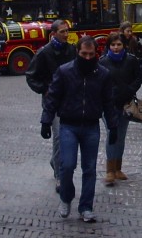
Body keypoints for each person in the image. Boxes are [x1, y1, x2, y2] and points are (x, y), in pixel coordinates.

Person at [40, 35, 119, 223]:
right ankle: (66, 197)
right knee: (66, 165)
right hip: (68, 124)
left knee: (89, 168)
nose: (88, 58)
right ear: (78, 52)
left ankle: (86, 206)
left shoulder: (103, 74)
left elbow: (109, 102)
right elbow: (53, 97)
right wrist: (46, 121)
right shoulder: (64, 72)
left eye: (91, 54)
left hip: (91, 125)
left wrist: (113, 126)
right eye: (84, 54)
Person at [25, 19, 76, 190]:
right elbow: (31, 76)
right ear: (53, 34)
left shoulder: (71, 50)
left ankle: (56, 160)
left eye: (67, 31)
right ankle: (60, 176)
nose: (66, 34)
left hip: (70, 99)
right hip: (52, 101)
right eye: (62, 32)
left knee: (70, 135)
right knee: (59, 135)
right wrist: (44, 89)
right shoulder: (43, 53)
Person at [99, 31, 142, 186]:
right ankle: (110, 170)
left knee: (121, 136)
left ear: (124, 45)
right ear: (108, 46)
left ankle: (118, 168)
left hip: (126, 104)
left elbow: (138, 77)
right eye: (113, 45)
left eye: (118, 44)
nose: (116, 48)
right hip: (108, 105)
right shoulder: (102, 62)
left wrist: (130, 90)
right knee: (112, 133)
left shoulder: (131, 60)